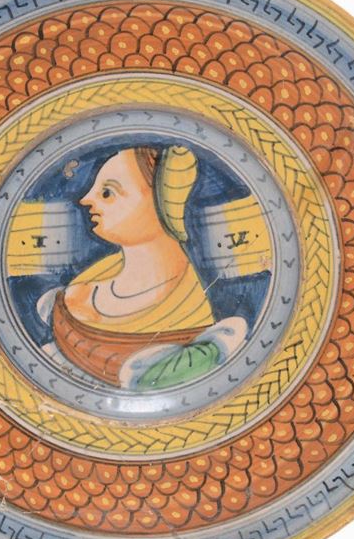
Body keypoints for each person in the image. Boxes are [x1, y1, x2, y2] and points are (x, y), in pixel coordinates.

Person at [37, 145, 247, 390]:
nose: (85, 199)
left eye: (107, 192)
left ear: (161, 205)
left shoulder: (190, 321)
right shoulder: (78, 293)